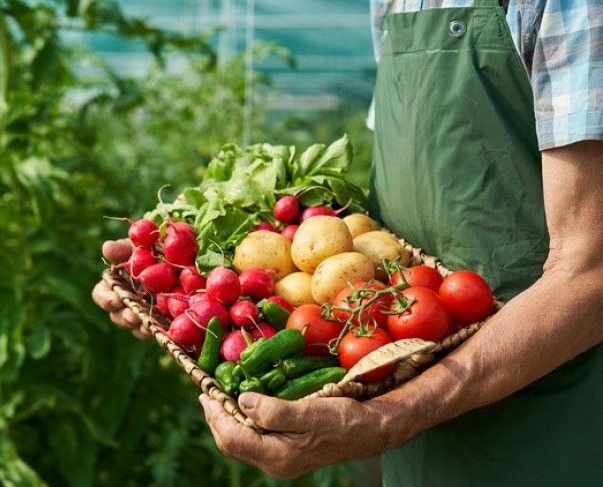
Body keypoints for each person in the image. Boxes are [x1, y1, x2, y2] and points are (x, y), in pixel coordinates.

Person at [92, 0, 603, 485]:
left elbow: (591, 273)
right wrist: (178, 286)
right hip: (412, 396)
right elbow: (424, 186)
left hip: (545, 420)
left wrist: (384, 420)